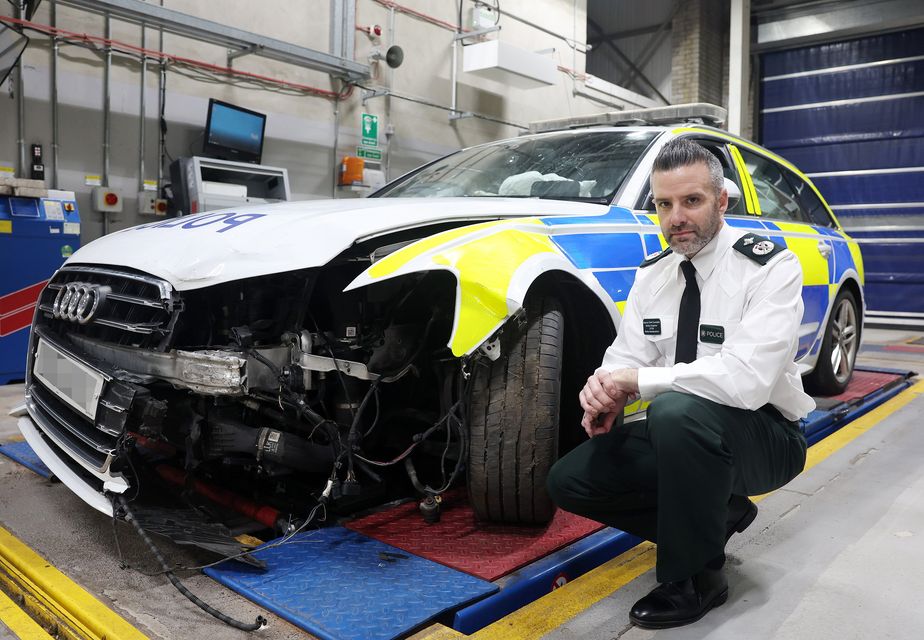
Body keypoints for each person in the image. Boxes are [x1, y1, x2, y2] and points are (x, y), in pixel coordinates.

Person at [546, 138, 813, 629]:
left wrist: (640, 381)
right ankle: (718, 518)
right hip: (686, 434)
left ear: (721, 201)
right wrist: (605, 389)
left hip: (766, 436)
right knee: (570, 481)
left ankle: (696, 574)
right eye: (664, 205)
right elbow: (625, 357)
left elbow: (748, 381)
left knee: (673, 410)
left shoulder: (770, 267)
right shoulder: (655, 275)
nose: (676, 218)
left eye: (691, 201)